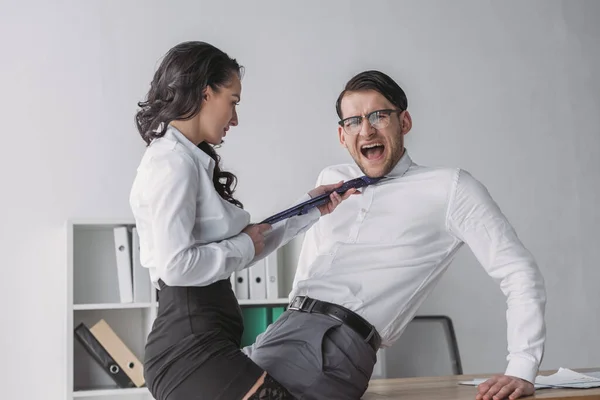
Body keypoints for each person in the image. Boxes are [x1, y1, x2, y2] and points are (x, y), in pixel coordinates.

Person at [243, 70, 547, 400]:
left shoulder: (450, 189)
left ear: (404, 122)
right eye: (354, 121)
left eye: (378, 116)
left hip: (334, 344)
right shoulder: (331, 181)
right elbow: (309, 265)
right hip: (282, 329)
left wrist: (522, 366)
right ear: (342, 136)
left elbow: (518, 272)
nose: (367, 129)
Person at [128, 41, 356, 400]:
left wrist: (311, 207)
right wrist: (245, 243)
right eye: (232, 101)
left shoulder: (188, 161)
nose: (235, 118)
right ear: (206, 93)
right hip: (189, 351)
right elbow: (176, 266)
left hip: (204, 344)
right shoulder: (171, 162)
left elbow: (252, 241)